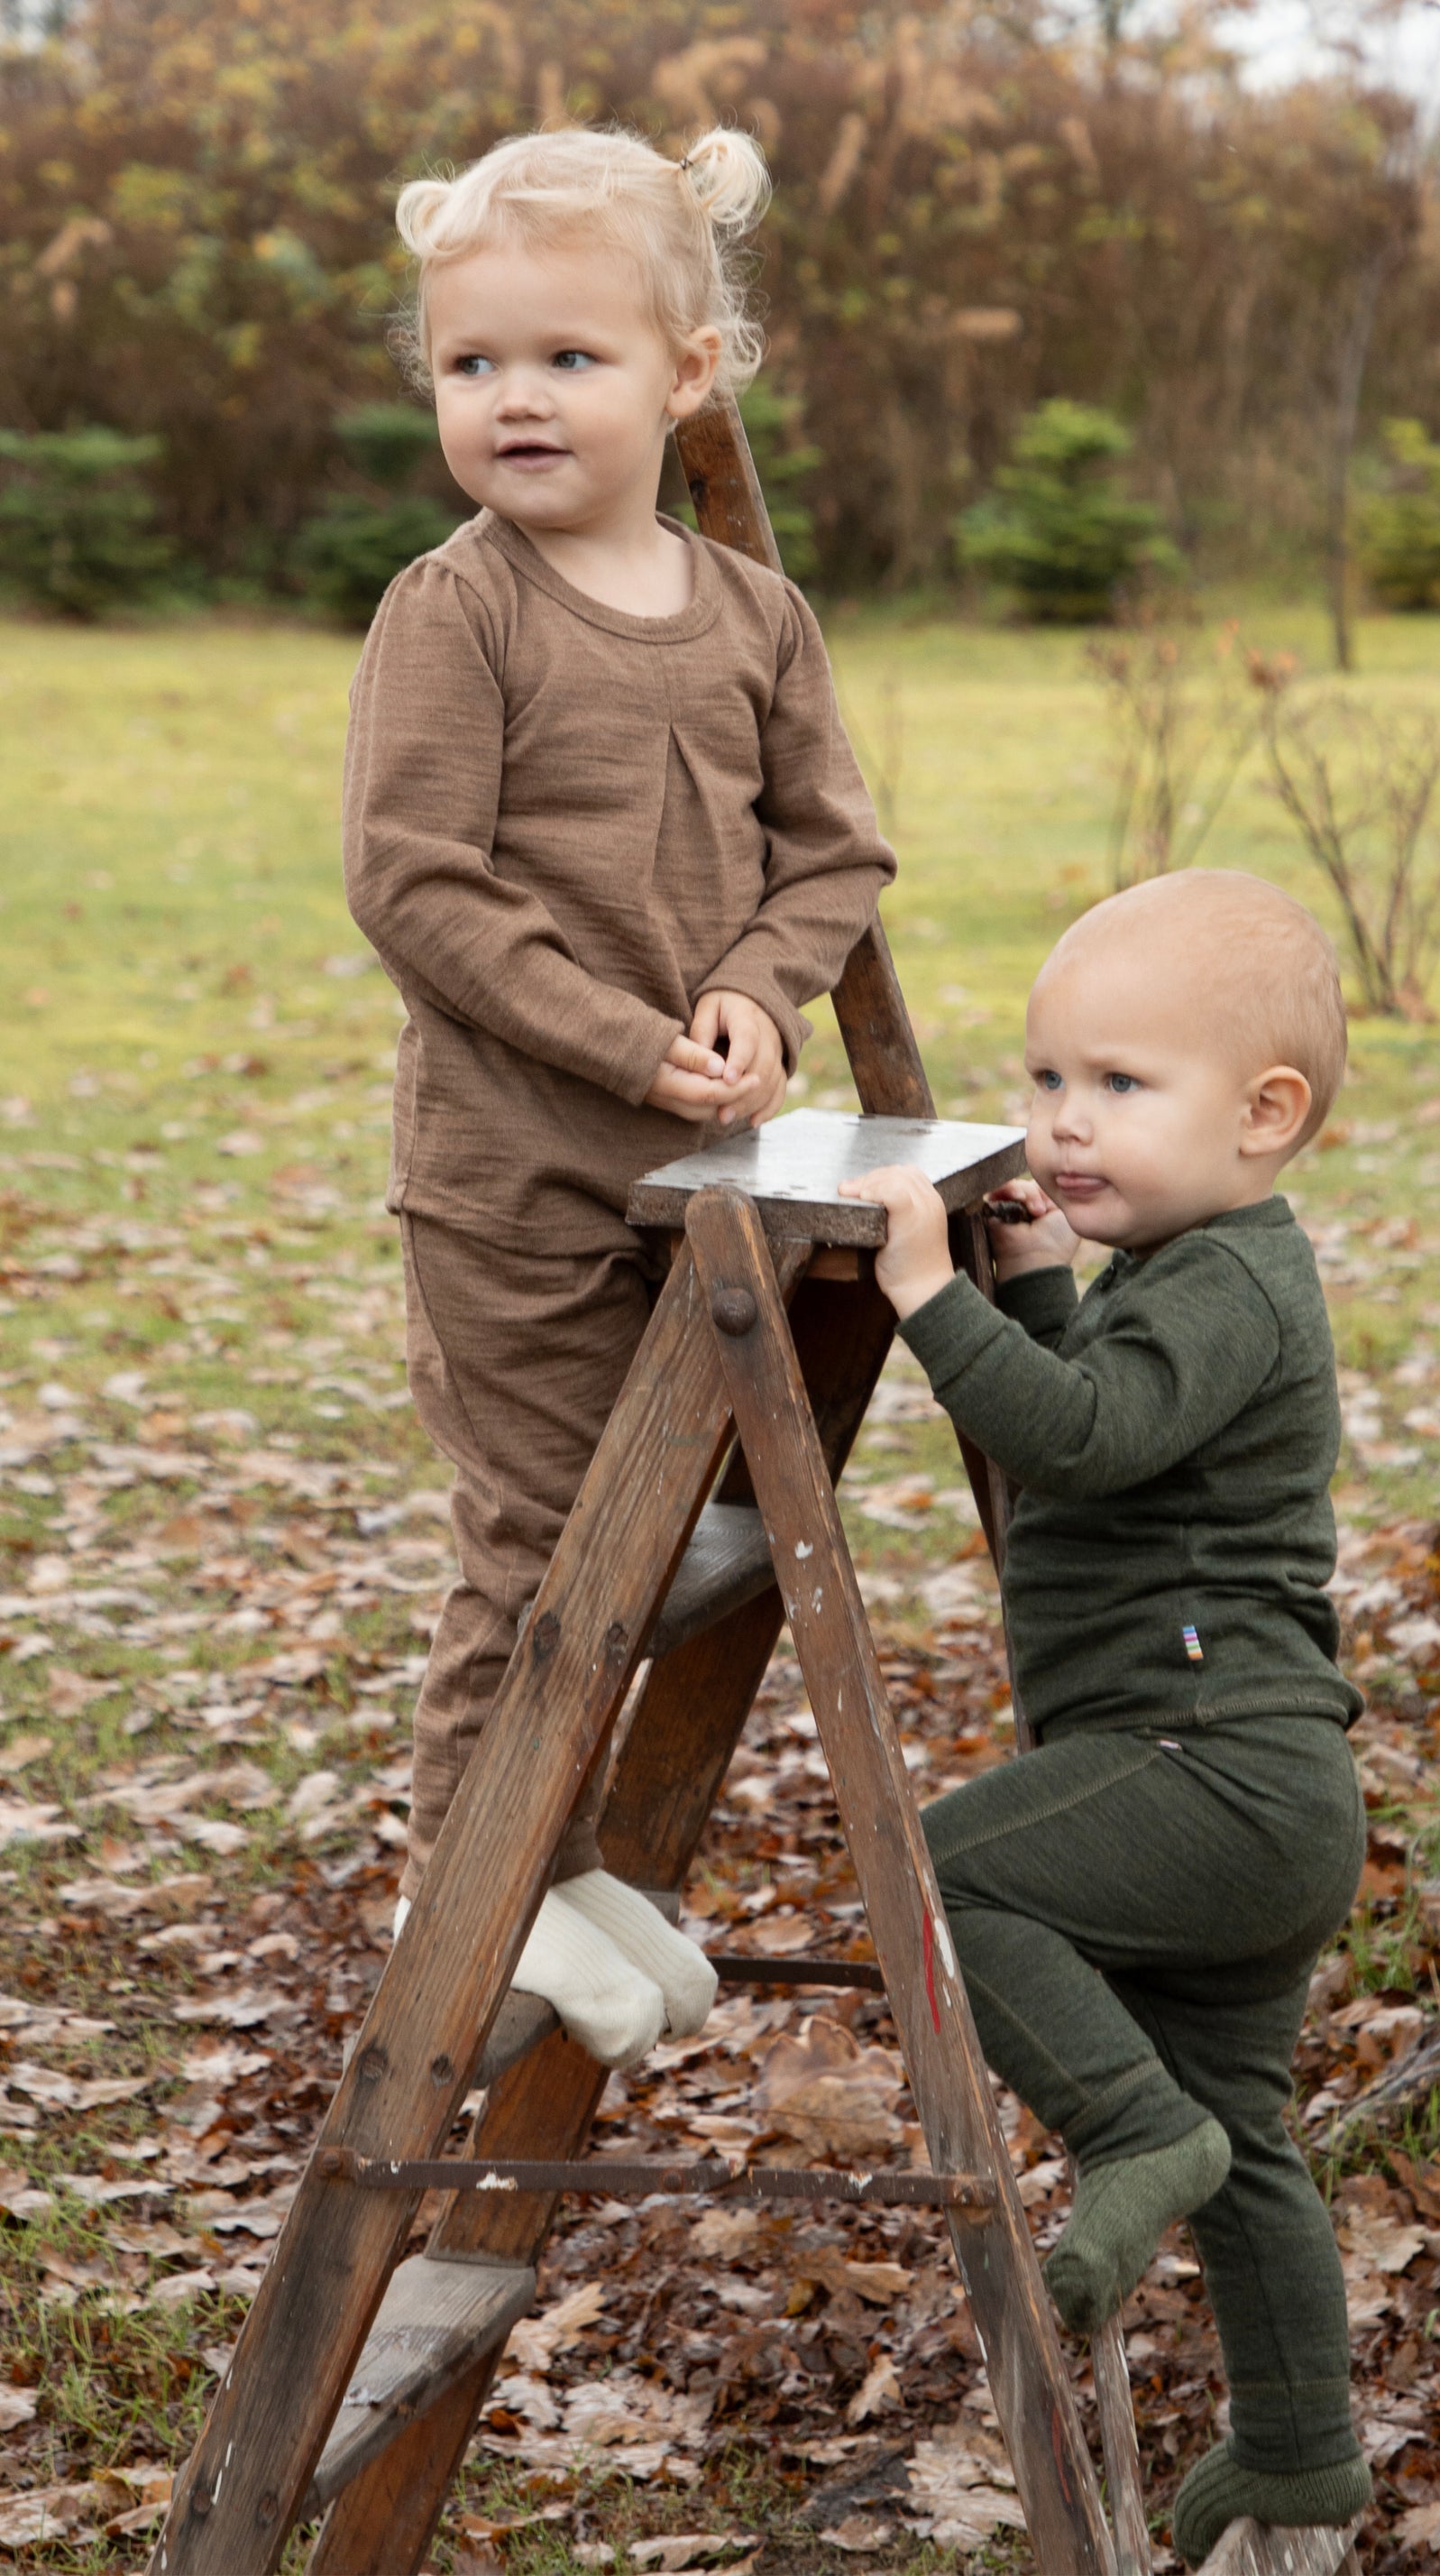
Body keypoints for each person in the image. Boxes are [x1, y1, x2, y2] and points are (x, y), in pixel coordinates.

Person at [343, 124, 895, 2065]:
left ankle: (558, 1860)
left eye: (566, 358)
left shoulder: (754, 618)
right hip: (512, 1174)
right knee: (541, 1538)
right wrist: (610, 1033)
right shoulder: (460, 610)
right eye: (470, 362)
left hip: (703, 1173)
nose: (513, 398)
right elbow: (413, 881)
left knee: (654, 1533)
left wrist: (751, 992)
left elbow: (833, 856)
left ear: (688, 372)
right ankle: (467, 1888)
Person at [841, 869, 1371, 2565]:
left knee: (940, 1876)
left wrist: (931, 1299)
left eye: (1122, 1085)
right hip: (1257, 1787)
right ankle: (1297, 2457)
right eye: (1050, 1078)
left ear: (1264, 1117)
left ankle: (1133, 2131)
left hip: (1210, 1768)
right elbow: (1123, 1424)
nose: (1065, 1122)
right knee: (1252, 2143)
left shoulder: (1231, 1284)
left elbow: (1078, 1440)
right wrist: (1035, 1290)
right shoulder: (1192, 1267)